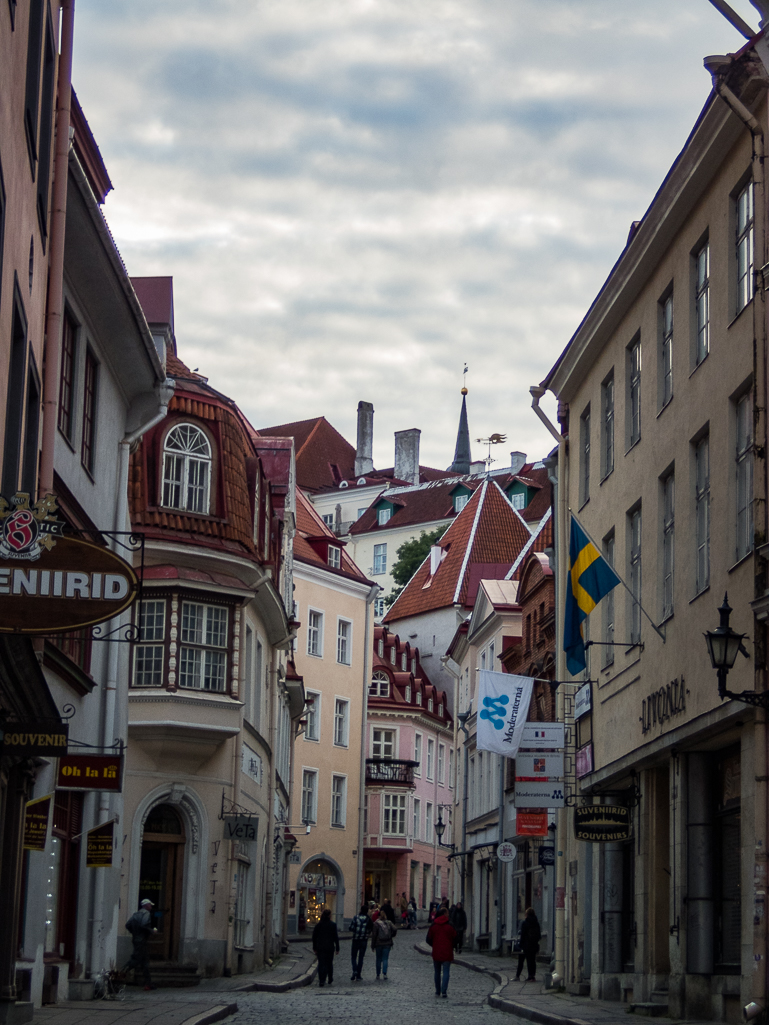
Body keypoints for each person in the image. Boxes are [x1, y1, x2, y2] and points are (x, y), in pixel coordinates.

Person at [125, 898, 157, 991]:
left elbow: (128, 925)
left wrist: (134, 932)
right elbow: (144, 925)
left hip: (136, 940)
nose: (151, 907)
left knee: (144, 962)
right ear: (146, 906)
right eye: (150, 905)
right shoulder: (146, 914)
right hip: (142, 941)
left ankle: (148, 984)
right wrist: (151, 931)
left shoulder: (136, 914)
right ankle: (120, 974)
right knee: (135, 961)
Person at [426, 904, 456, 998]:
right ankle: (444, 991)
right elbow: (455, 938)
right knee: (446, 971)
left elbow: (428, 939)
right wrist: (452, 946)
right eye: (447, 913)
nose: (448, 914)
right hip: (447, 952)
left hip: (437, 952)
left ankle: (437, 991)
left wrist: (434, 945)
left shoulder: (434, 925)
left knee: (437, 972)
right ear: (444, 914)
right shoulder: (450, 925)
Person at [312, 908, 340, 987]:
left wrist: (314, 947)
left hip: (320, 947)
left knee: (321, 963)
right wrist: (337, 948)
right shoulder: (333, 925)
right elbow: (335, 937)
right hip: (330, 947)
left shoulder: (318, 925)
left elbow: (314, 937)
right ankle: (330, 978)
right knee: (329, 963)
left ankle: (321, 980)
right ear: (330, 916)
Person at [516, 907, 541, 982]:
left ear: (526, 914)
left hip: (526, 945)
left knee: (525, 961)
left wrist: (520, 944)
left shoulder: (525, 923)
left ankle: (520, 976)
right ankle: (532, 976)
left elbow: (523, 935)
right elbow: (539, 935)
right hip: (534, 945)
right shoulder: (536, 923)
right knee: (532, 960)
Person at [371, 908, 395, 980]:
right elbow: (395, 929)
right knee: (385, 959)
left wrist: (373, 945)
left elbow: (374, 935)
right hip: (387, 943)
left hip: (378, 943)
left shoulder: (376, 923)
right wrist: (391, 935)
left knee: (378, 959)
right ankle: (385, 974)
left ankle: (378, 974)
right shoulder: (389, 922)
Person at [349, 904, 372, 981]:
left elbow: (351, 928)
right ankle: (358, 974)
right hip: (364, 941)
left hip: (356, 940)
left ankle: (354, 970)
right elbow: (370, 929)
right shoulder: (368, 919)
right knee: (361, 958)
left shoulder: (356, 917)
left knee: (353, 957)